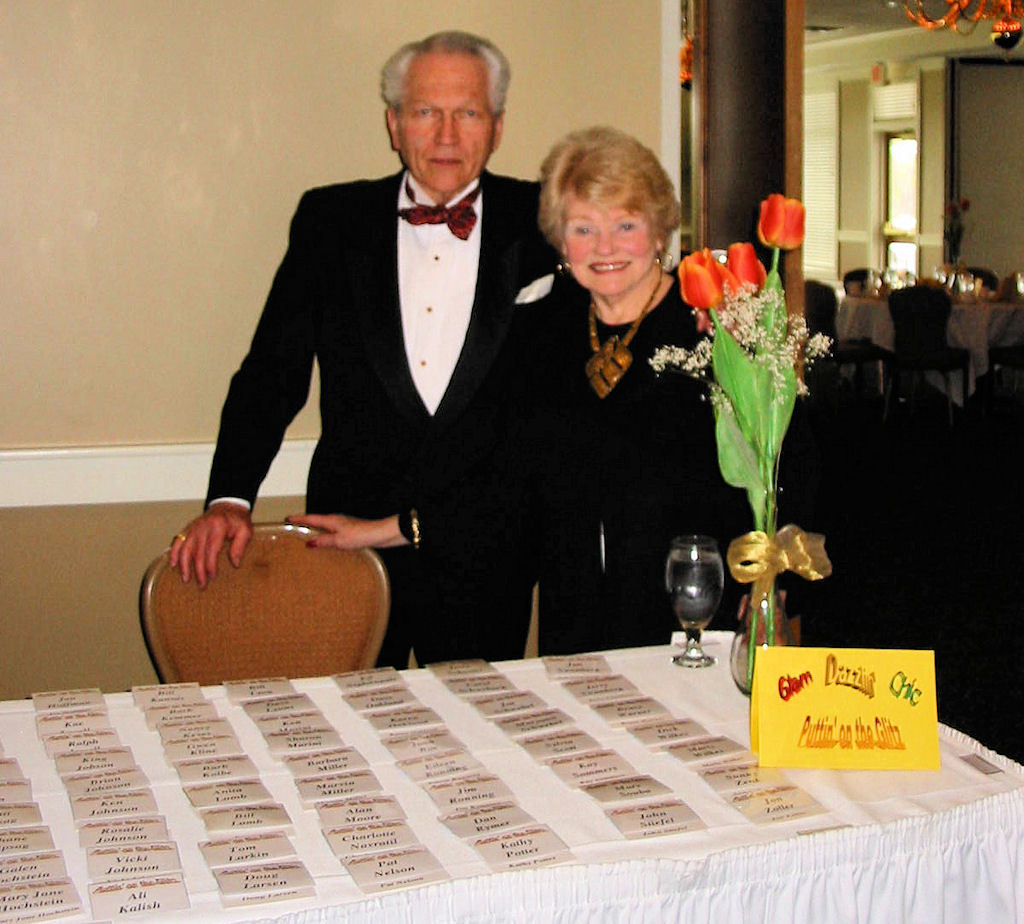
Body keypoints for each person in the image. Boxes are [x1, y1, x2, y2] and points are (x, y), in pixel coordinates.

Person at [169, 30, 556, 668]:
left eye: (468, 113)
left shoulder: (545, 220)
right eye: (426, 111)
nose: (447, 135)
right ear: (394, 124)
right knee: (348, 723)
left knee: (476, 726)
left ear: (498, 126)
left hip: (485, 551)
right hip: (348, 544)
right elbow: (272, 372)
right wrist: (229, 499)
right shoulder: (331, 222)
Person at [512, 126, 817, 654]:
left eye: (625, 225)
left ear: (659, 234)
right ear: (561, 241)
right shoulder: (542, 329)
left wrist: (774, 580)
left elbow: (791, 457)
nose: (604, 247)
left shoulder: (715, 323)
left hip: (698, 606)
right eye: (583, 229)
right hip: (578, 615)